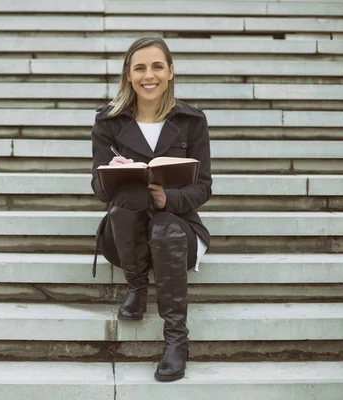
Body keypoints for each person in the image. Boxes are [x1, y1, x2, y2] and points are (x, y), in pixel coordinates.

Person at [90, 37, 212, 382]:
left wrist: (167, 199)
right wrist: (112, 173)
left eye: (157, 66)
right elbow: (100, 192)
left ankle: (176, 340)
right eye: (140, 67)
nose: (149, 75)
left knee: (164, 227)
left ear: (171, 72)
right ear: (128, 75)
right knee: (130, 195)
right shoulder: (107, 122)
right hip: (125, 230)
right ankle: (137, 285)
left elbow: (203, 187)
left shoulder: (192, 121)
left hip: (177, 229)